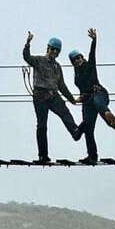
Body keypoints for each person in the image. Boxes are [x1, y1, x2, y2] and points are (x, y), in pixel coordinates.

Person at [23, 32, 81, 164]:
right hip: (40, 95)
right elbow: (26, 57)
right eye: (53, 49)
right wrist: (28, 43)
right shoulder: (39, 60)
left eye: (57, 50)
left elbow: (62, 86)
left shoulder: (57, 67)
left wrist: (72, 100)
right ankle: (43, 156)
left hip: (53, 95)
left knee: (65, 113)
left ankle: (75, 132)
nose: (55, 52)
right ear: (48, 48)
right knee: (42, 125)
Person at [68, 28, 115, 165]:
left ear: (83, 58)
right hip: (88, 101)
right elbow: (82, 91)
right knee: (88, 129)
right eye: (75, 60)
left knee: (98, 103)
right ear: (73, 63)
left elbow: (92, 55)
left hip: (99, 94)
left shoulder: (89, 66)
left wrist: (94, 41)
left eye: (80, 57)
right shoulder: (77, 77)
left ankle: (110, 118)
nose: (79, 60)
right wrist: (80, 98)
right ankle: (92, 155)